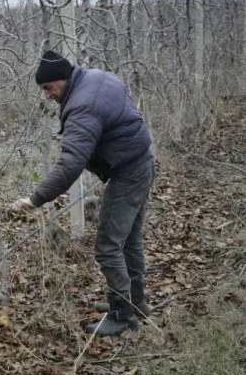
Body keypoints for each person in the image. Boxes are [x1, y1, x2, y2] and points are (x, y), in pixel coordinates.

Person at [10, 50, 156, 336]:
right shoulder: (96, 76)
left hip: (130, 173)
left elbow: (70, 164)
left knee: (108, 246)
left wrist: (35, 199)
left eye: (49, 88)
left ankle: (122, 313)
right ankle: (135, 301)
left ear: (63, 80)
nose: (48, 96)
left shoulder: (83, 105)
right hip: (140, 162)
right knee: (129, 241)